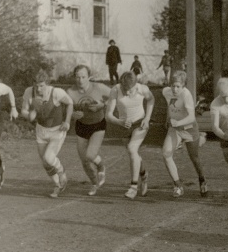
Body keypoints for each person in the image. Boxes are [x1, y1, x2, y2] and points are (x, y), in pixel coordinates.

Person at [21, 70, 73, 198]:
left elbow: (70, 103)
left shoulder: (56, 92)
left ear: (47, 84)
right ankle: (58, 185)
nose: (38, 89)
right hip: (41, 130)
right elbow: (24, 111)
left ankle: (61, 172)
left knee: (49, 158)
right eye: (36, 85)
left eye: (42, 86)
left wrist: (67, 121)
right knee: (45, 162)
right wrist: (30, 114)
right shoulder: (29, 92)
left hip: (57, 131)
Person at [105, 71, 155, 199]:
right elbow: (108, 115)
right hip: (124, 125)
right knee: (133, 154)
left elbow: (151, 100)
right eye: (124, 89)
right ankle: (144, 175)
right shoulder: (115, 90)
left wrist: (147, 119)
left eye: (130, 90)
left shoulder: (142, 89)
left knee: (132, 149)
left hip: (140, 123)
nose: (127, 92)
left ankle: (133, 186)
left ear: (135, 85)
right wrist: (119, 122)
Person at [162, 70, 208, 198]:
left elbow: (191, 117)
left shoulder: (186, 95)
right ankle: (177, 185)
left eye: (178, 86)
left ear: (183, 86)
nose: (175, 89)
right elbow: (169, 105)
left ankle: (202, 179)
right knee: (166, 153)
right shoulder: (166, 92)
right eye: (173, 86)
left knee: (194, 158)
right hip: (175, 128)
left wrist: (177, 122)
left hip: (189, 128)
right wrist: (168, 119)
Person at [67, 65, 111, 196]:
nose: (80, 80)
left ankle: (101, 166)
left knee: (90, 155)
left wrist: (102, 105)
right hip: (82, 126)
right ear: (74, 77)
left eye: (83, 77)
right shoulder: (70, 92)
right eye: (77, 77)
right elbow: (66, 109)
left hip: (98, 124)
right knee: (85, 161)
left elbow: (115, 96)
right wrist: (73, 115)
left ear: (89, 77)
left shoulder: (99, 87)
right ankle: (93, 184)